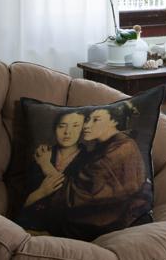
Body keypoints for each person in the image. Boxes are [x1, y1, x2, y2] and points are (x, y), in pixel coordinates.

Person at [53, 101, 151, 239]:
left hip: (117, 220)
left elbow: (82, 192)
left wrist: (47, 168)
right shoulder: (108, 146)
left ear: (114, 121)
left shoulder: (120, 150)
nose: (86, 125)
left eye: (96, 120)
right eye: (88, 119)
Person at [18, 109, 86, 231]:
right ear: (55, 128)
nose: (67, 132)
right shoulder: (42, 154)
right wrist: (40, 193)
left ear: (83, 129)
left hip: (64, 231)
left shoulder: (90, 159)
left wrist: (46, 165)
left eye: (75, 126)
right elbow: (18, 201)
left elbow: (76, 199)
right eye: (62, 126)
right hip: (28, 225)